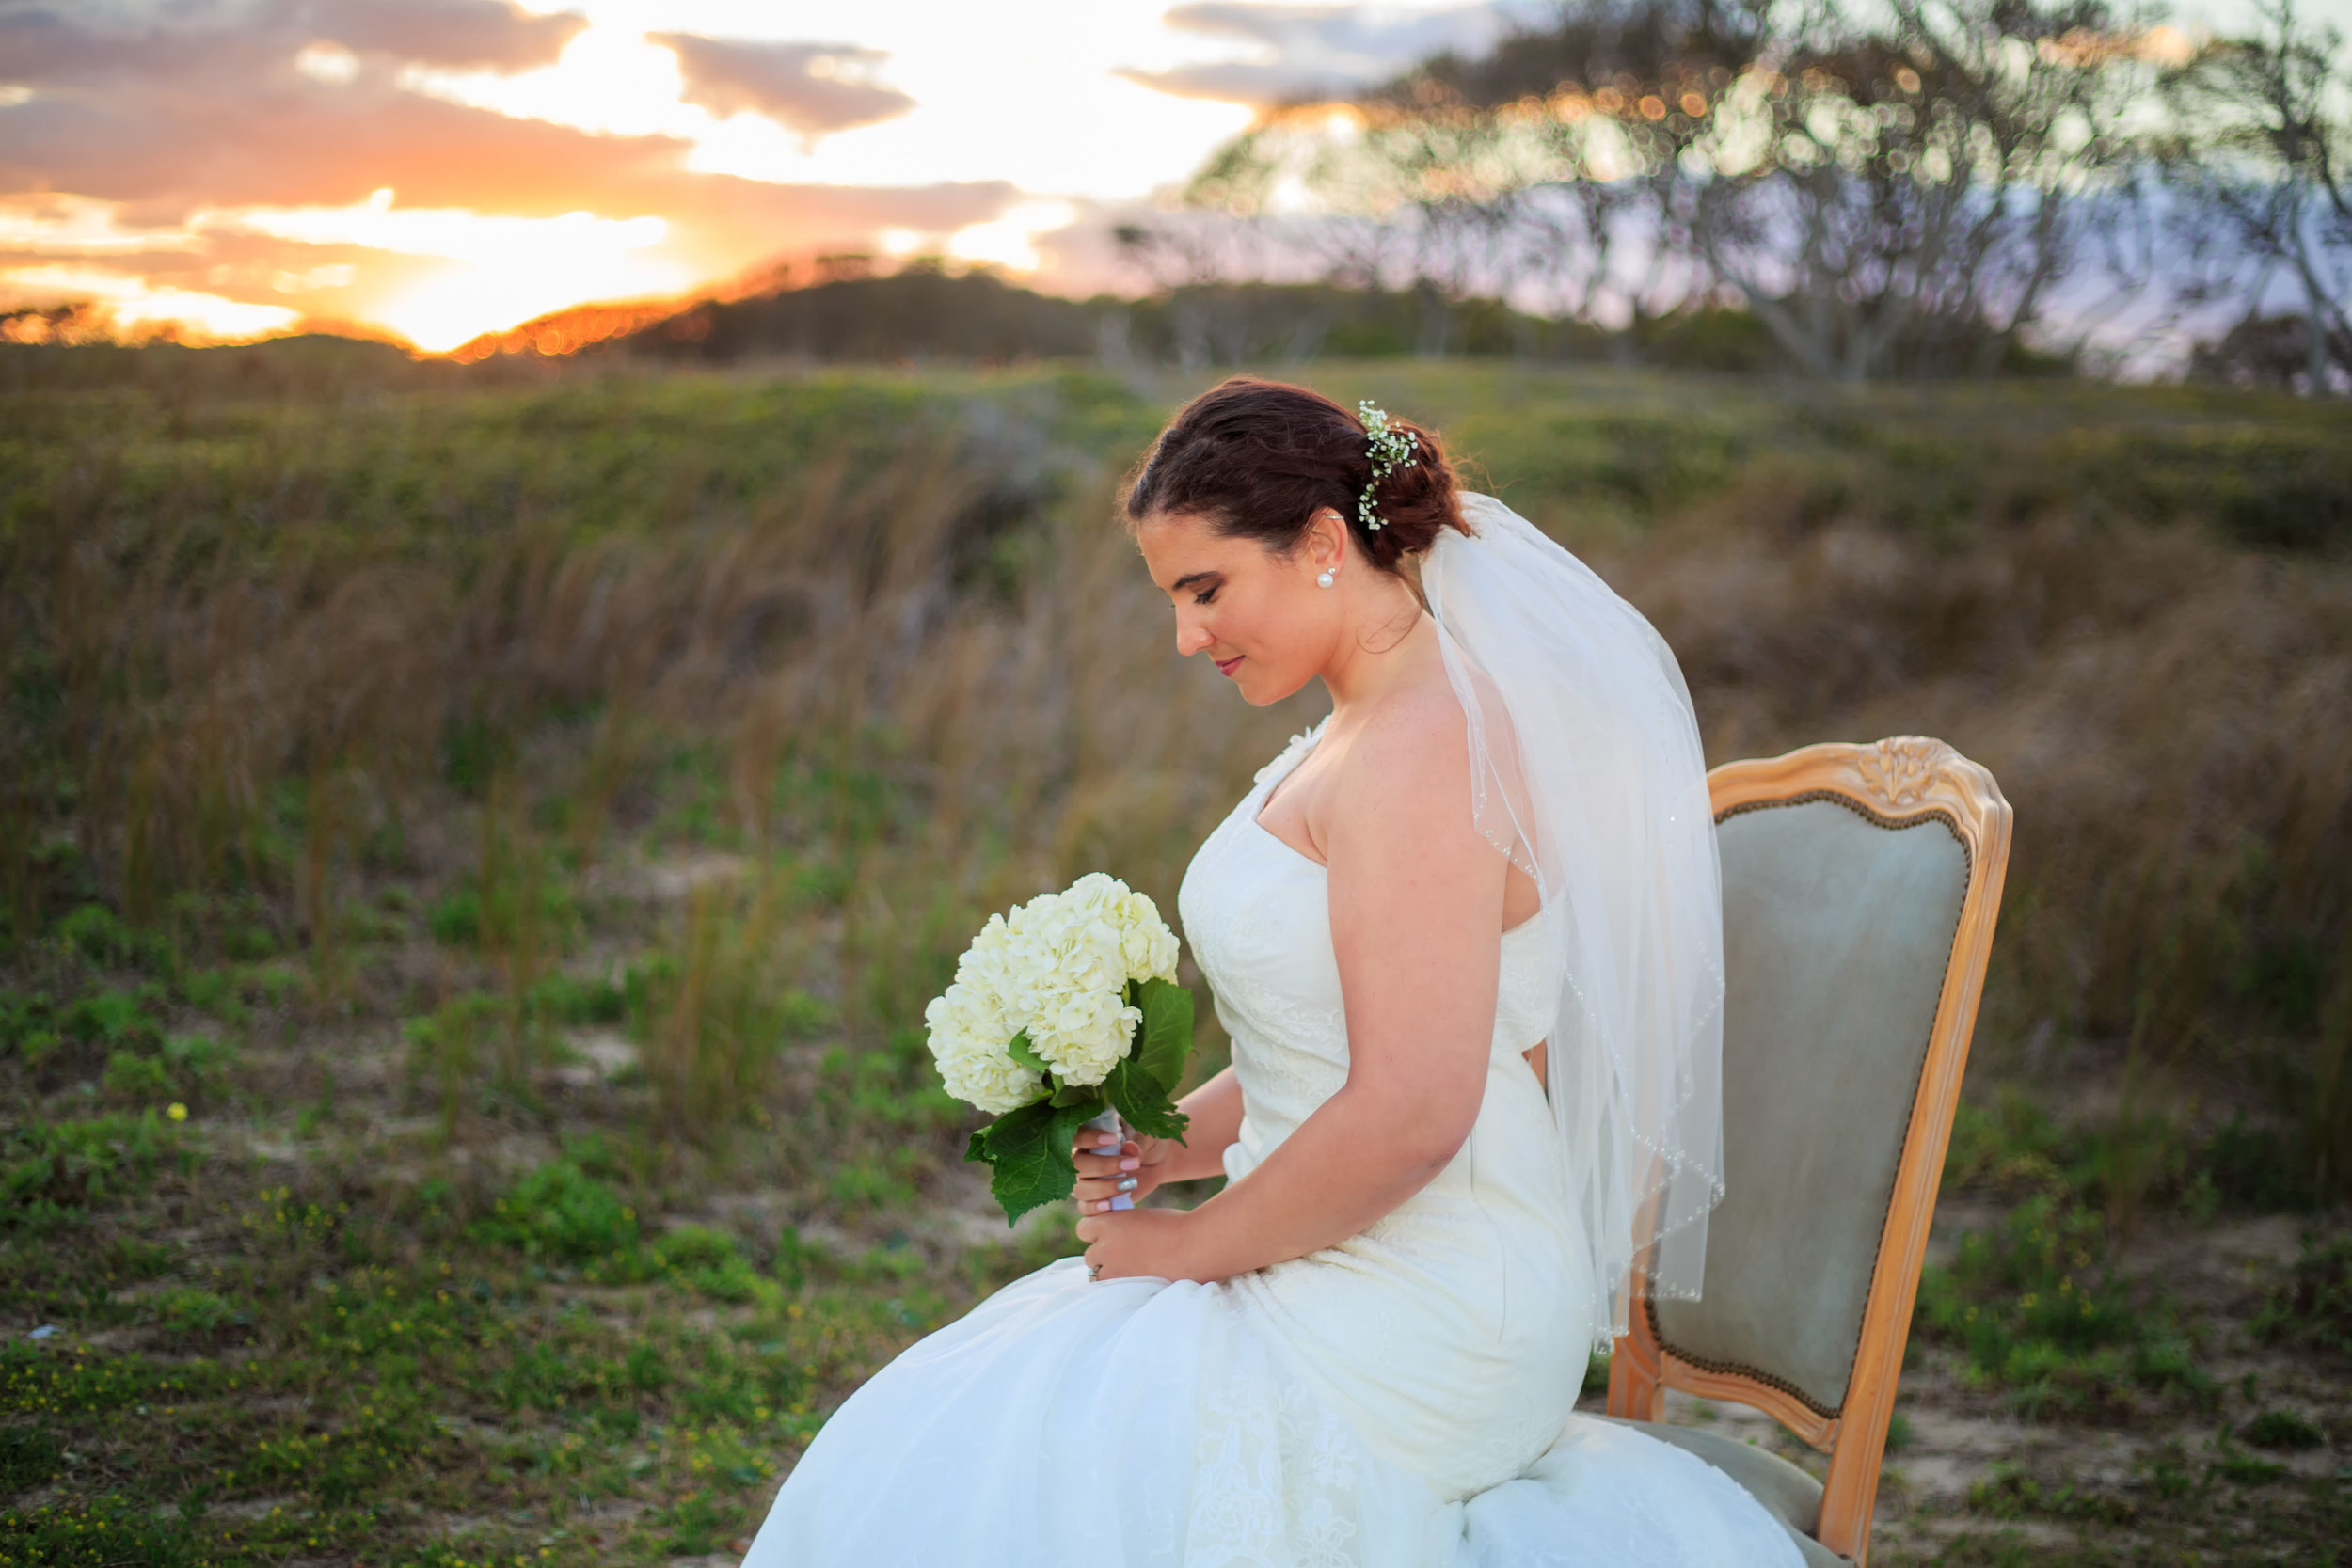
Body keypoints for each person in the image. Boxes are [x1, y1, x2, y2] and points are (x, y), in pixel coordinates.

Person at [739, 378, 1806, 1565]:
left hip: (1432, 1295)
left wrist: (1194, 1242)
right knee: (987, 1408)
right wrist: (1171, 1144)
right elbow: (1328, 1033)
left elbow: (1411, 1109)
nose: (1188, 636)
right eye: (1173, 599)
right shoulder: (1365, 722)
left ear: (1316, 542)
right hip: (1323, 1246)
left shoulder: (1421, 750)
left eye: (1205, 589)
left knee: (1038, 1437)